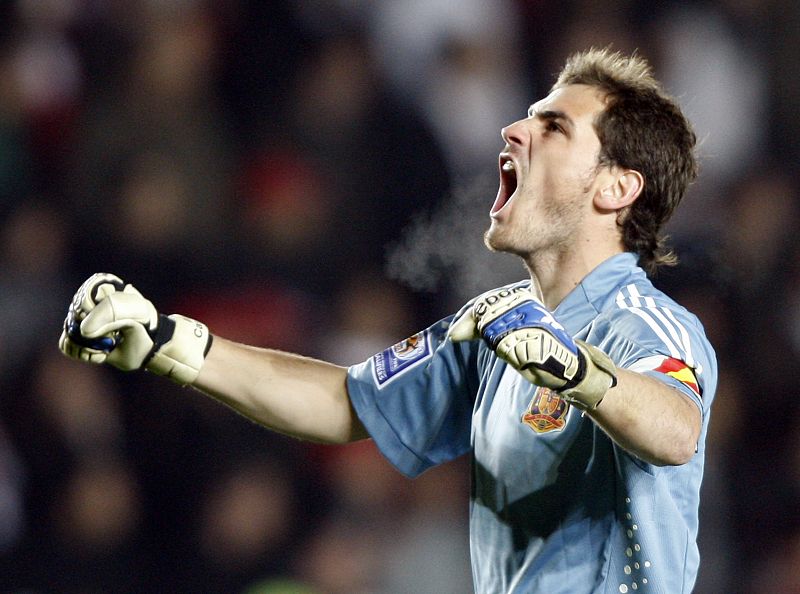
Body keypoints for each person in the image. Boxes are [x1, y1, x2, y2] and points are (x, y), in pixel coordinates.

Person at [59, 48, 717, 593]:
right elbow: (345, 403)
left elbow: (676, 428)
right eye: (528, 118)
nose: (515, 131)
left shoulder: (644, 322)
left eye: (554, 129)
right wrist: (174, 344)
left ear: (614, 188)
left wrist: (581, 375)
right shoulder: (496, 329)